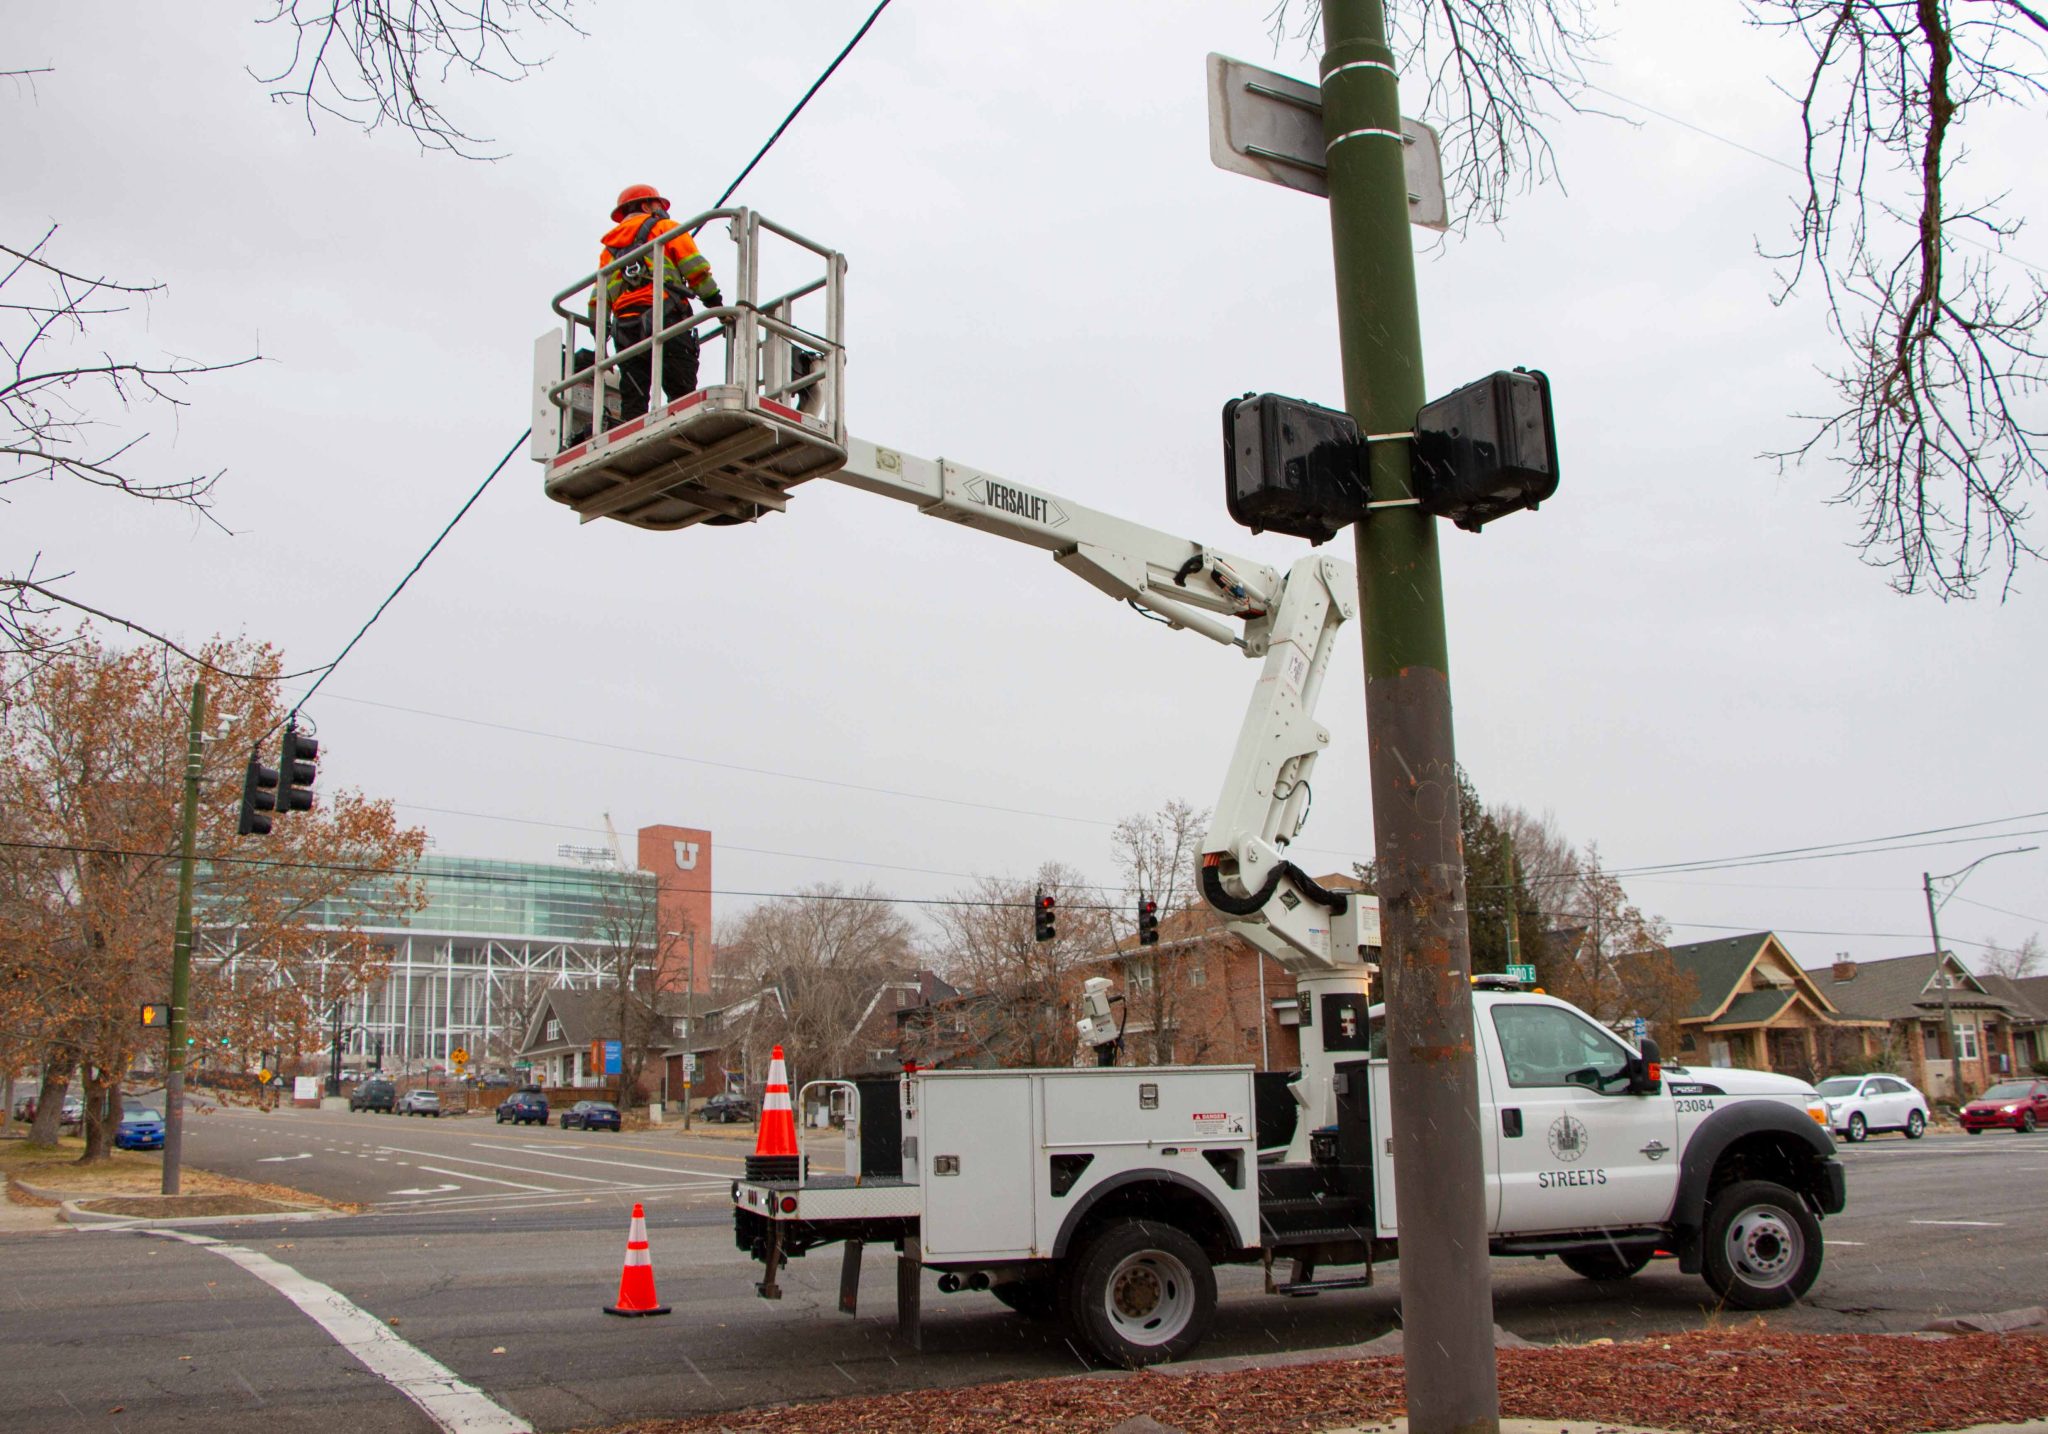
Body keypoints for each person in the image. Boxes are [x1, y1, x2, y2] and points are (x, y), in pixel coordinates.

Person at [596, 183, 725, 421]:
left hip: (626, 331)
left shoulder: (608, 252)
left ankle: (633, 442)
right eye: (657, 204)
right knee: (681, 391)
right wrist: (717, 305)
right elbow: (695, 270)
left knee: (634, 396)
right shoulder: (666, 229)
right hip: (666, 320)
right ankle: (683, 433)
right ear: (646, 205)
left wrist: (600, 338)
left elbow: (597, 301)